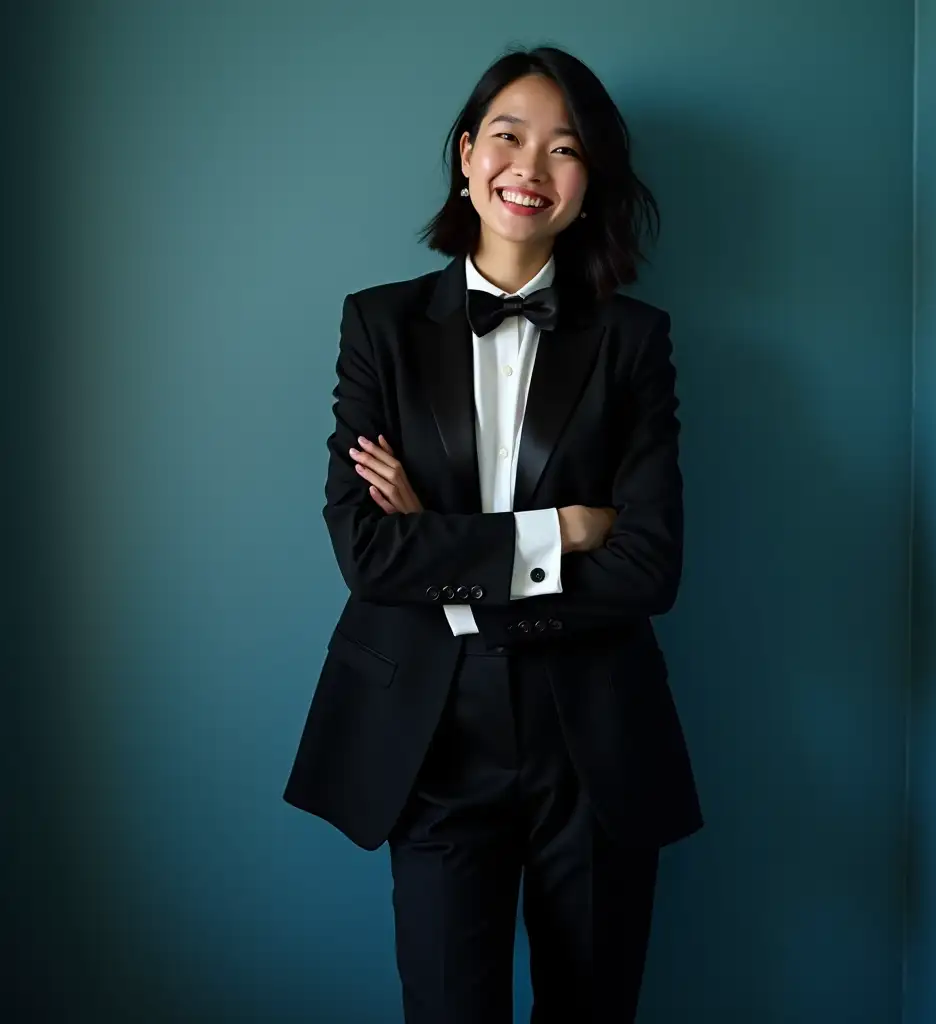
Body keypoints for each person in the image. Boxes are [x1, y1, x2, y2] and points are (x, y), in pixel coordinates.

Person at [284, 45, 703, 1024]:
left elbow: (650, 566)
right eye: (508, 136)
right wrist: (562, 527)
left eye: (565, 149)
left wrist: (445, 535)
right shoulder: (378, 327)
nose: (530, 166)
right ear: (467, 155)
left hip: (592, 732)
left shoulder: (634, 341)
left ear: (588, 184)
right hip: (430, 736)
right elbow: (368, 553)